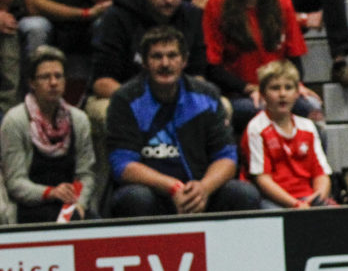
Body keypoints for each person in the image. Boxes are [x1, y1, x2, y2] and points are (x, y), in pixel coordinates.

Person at [105, 25, 259, 216]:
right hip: (155, 194)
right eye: (156, 56)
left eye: (172, 56)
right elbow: (122, 164)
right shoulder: (125, 99)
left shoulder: (207, 95)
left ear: (184, 60)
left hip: (201, 191)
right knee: (135, 198)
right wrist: (173, 187)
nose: (165, 63)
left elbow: (226, 157)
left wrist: (203, 189)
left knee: (244, 194)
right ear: (144, 62)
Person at [89, 0, 208, 180]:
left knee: (221, 106)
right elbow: (102, 82)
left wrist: (173, 103)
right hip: (125, 95)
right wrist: (147, 102)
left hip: (177, 96)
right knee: (105, 112)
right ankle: (112, 187)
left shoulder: (192, 16)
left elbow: (199, 75)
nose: (170, 0)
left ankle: (197, 181)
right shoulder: (118, 16)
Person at [204, 0, 319, 134]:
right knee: (256, 109)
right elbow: (213, 68)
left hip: (277, 89)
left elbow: (294, 59)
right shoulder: (216, 6)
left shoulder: (282, 3)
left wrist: (293, 85)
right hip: (239, 94)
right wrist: (250, 88)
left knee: (312, 107)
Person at [0, 45, 96, 222]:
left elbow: (86, 174)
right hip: (30, 206)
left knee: (95, 224)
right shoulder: (15, 120)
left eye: (58, 76)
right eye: (45, 77)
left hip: (70, 204)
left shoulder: (79, 119)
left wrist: (79, 205)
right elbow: (15, 183)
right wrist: (51, 193)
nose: (53, 82)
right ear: (31, 82)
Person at [241, 59, 335, 209]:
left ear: (297, 93)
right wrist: (295, 204)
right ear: (263, 94)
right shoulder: (256, 128)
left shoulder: (308, 127)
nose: (282, 94)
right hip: (274, 200)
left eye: (288, 87)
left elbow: (321, 174)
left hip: (308, 198)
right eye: (275, 88)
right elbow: (263, 179)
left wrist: (316, 198)